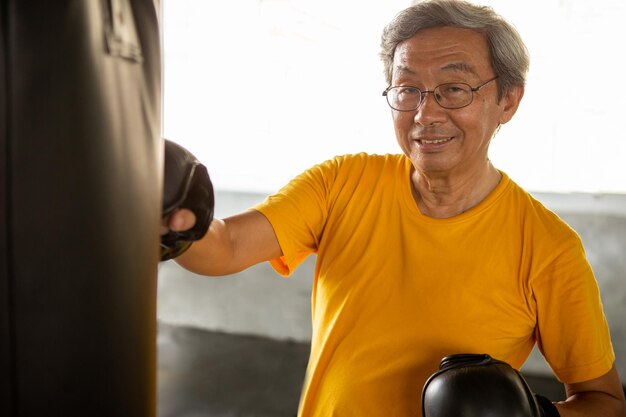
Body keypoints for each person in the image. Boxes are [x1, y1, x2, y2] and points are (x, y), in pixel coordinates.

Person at [164, 0, 626, 416]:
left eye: (454, 88)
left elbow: (604, 401)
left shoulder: (549, 248)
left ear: (508, 99)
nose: (426, 113)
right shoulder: (342, 183)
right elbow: (224, 248)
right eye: (407, 90)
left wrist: (535, 416)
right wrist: (179, 219)